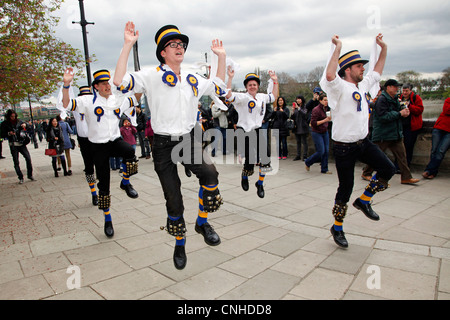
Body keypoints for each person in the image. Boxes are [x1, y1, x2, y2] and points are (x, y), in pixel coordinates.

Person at [114, 22, 227, 270]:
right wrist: (127, 45)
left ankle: (202, 223)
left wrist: (222, 57)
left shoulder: (192, 77)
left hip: (187, 139)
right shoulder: (151, 75)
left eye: (181, 44)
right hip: (163, 143)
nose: (179, 47)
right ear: (162, 52)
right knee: (173, 198)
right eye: (172, 44)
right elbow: (119, 81)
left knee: (210, 173)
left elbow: (219, 86)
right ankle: (180, 242)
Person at [319, 33, 395, 248]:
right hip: (344, 148)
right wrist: (337, 48)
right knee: (345, 188)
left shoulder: (363, 86)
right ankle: (338, 227)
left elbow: (378, 71)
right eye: (359, 66)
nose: (363, 68)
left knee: (388, 169)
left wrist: (384, 48)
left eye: (363, 65)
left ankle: (364, 200)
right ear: (348, 69)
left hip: (364, 143)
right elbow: (331, 74)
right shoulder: (338, 87)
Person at [62, 68, 140, 238]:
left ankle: (125, 182)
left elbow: (135, 99)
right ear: (96, 86)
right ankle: (108, 219)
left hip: (114, 141)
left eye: (108, 83)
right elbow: (66, 104)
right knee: (103, 186)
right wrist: (66, 85)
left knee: (130, 153)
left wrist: (139, 83)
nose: (107, 86)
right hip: (98, 146)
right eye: (103, 83)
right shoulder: (87, 101)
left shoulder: (117, 99)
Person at [226, 68, 279, 198]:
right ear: (246, 87)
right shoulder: (242, 97)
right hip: (245, 130)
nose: (252, 86)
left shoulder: (261, 97)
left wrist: (275, 81)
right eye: (250, 85)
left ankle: (260, 183)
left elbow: (274, 96)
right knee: (250, 160)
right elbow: (228, 95)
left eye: (254, 84)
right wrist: (230, 78)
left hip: (258, 129)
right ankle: (245, 176)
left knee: (265, 159)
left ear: (258, 86)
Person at [362, 79, 419, 184]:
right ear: (388, 87)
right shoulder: (382, 99)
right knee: (376, 155)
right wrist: (399, 114)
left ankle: (406, 177)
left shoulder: (395, 98)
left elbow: (398, 109)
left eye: (397, 87)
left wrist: (404, 110)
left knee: (402, 156)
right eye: (394, 86)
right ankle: (366, 172)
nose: (397, 89)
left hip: (395, 133)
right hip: (383, 134)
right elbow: (383, 116)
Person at [0, 110, 34, 183]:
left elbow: (28, 126)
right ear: (8, 116)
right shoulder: (5, 124)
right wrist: (9, 133)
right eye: (11, 116)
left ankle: (30, 174)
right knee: (16, 161)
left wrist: (25, 125)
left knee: (28, 158)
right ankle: (20, 177)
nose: (13, 118)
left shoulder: (19, 121)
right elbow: (2, 134)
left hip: (22, 143)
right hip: (13, 144)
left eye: (14, 116)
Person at [423, 98, 450, 179]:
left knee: (441, 151)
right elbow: (446, 110)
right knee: (434, 150)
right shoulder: (448, 100)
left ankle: (428, 171)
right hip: (439, 128)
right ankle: (432, 172)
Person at [305, 93, 332, 174]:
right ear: (320, 101)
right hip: (316, 132)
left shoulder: (328, 108)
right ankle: (308, 161)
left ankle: (324, 168)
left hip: (325, 131)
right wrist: (325, 120)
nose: (326, 102)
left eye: (327, 100)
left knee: (326, 151)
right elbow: (313, 123)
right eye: (324, 100)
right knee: (321, 151)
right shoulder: (316, 110)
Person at [400, 83, 424, 166]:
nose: (405, 92)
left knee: (408, 146)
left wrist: (409, 105)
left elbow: (419, 110)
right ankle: (399, 165)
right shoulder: (400, 98)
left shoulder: (416, 98)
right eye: (403, 90)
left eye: (406, 91)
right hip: (401, 125)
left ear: (410, 91)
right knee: (399, 147)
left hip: (412, 126)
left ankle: (407, 164)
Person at [291, 95, 309, 161]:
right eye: (297, 99)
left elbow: (305, 114)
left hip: (303, 126)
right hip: (297, 126)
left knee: (304, 142)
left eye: (299, 99)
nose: (298, 100)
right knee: (298, 141)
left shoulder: (305, 106)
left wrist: (298, 108)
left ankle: (305, 155)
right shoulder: (295, 108)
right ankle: (298, 155)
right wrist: (293, 111)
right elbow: (292, 117)